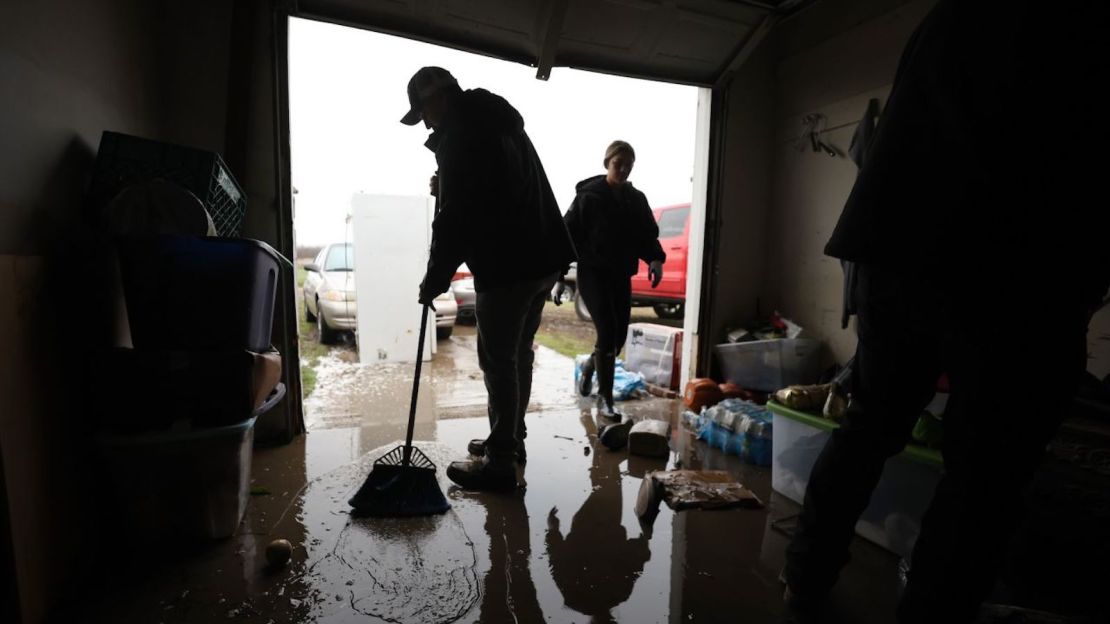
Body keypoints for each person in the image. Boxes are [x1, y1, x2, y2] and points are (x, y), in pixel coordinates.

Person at [781, 1, 1109, 622]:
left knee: (871, 424)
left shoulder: (952, 15)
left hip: (898, 247)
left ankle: (804, 577)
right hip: (1020, 265)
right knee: (986, 474)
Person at [402, 66, 576, 491]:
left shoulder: (461, 133)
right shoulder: (494, 120)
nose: (425, 122)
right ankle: (510, 439)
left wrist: (434, 279)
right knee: (518, 356)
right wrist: (448, 184)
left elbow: (457, 219)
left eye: (423, 110)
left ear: (438, 97)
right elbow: (496, 189)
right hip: (543, 256)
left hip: (509, 263)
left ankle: (499, 463)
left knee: (499, 362)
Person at [553, 140, 665, 448]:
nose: (624, 168)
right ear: (607, 163)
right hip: (592, 274)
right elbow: (567, 233)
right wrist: (560, 277)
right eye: (619, 163)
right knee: (606, 330)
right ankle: (605, 400)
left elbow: (647, 235)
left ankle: (590, 366)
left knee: (617, 338)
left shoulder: (636, 199)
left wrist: (655, 259)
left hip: (620, 274)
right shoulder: (588, 197)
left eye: (629, 164)